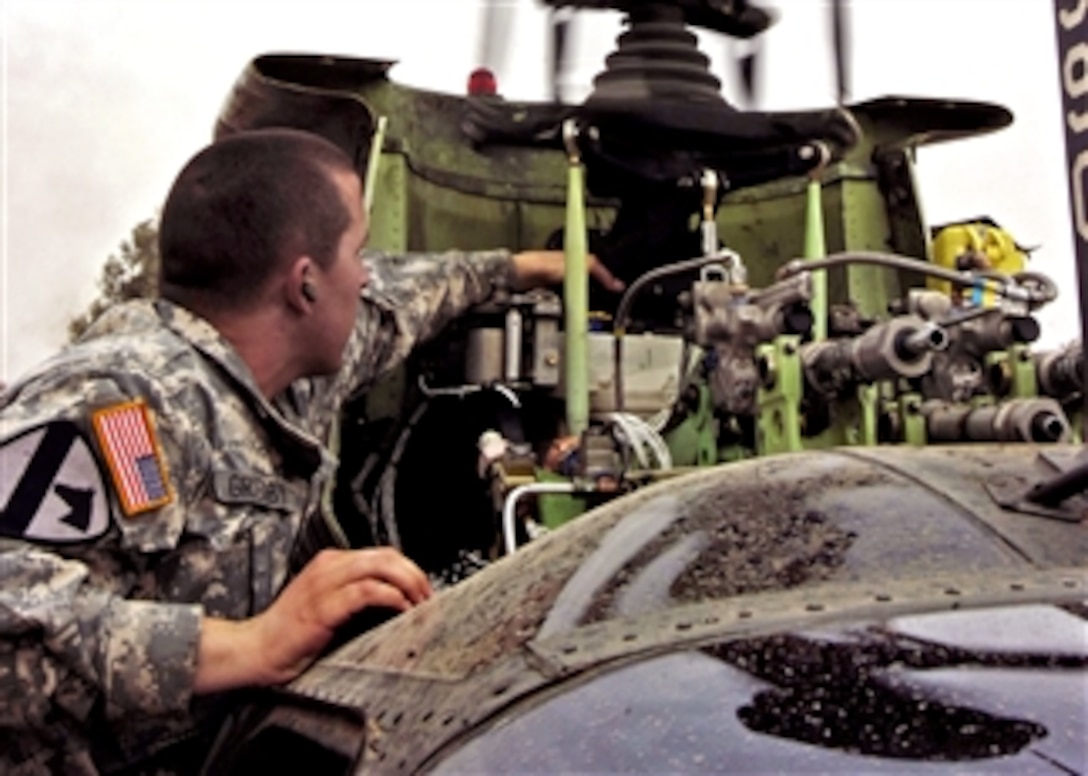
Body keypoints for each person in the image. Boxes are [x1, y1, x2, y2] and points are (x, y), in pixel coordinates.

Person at [0, 128, 622, 774]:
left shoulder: (290, 375)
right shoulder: (124, 405)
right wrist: (251, 644)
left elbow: (396, 297)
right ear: (305, 287)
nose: (364, 272)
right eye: (356, 251)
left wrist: (520, 270)